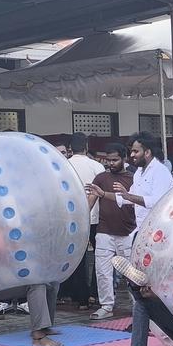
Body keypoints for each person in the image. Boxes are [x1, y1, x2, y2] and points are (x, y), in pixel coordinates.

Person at [85, 143, 136, 321]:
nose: (111, 163)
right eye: (108, 160)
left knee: (132, 272)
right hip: (104, 231)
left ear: (124, 159)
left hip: (128, 232)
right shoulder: (100, 178)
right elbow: (90, 202)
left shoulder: (134, 178)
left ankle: (137, 305)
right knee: (102, 271)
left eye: (115, 160)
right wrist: (82, 220)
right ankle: (106, 306)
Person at [61, 133, 105, 311]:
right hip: (95, 217)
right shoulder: (96, 166)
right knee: (100, 257)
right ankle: (96, 292)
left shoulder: (64, 165)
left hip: (71, 218)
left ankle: (81, 298)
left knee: (76, 258)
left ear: (70, 148)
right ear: (86, 147)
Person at [113, 135, 173, 235]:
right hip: (142, 229)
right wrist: (102, 194)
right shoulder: (138, 172)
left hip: (159, 231)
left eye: (135, 151)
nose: (131, 155)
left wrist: (129, 196)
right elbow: (127, 197)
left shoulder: (160, 171)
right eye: (131, 151)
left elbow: (157, 202)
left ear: (147, 152)